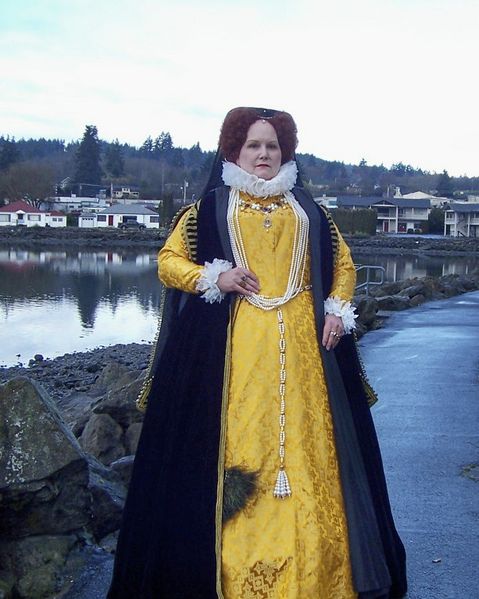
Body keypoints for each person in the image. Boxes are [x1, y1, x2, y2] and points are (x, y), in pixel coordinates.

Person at [107, 107, 407, 599]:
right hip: (234, 354)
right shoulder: (207, 210)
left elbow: (344, 266)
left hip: (307, 355)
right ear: (234, 150)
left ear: (284, 151)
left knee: (313, 451)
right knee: (240, 444)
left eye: (272, 145)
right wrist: (215, 277)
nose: (263, 154)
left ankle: (317, 577)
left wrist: (336, 309)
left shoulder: (310, 211)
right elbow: (167, 262)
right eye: (253, 145)